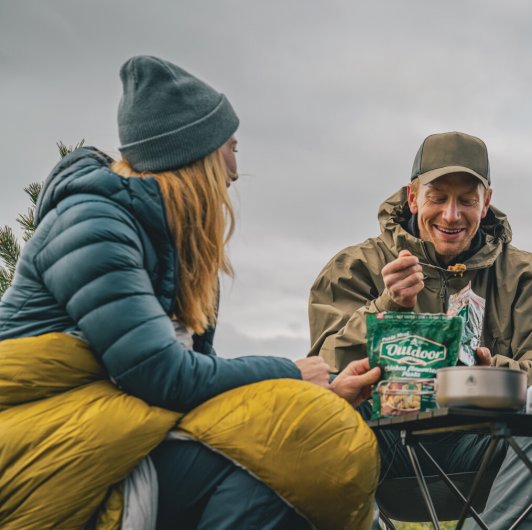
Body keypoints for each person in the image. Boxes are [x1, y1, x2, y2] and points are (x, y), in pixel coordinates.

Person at [0, 55, 380, 529]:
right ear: (195, 153)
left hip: (101, 438)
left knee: (310, 436)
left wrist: (326, 392)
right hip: (34, 447)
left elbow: (196, 378)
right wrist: (291, 374)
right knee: (297, 448)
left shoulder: (176, 247)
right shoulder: (92, 225)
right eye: (231, 148)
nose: (236, 171)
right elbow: (160, 376)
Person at [308, 131, 532, 528]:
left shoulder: (523, 275)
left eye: (466, 200)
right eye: (438, 197)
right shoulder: (355, 266)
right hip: (385, 447)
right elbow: (324, 372)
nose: (451, 215)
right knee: (326, 409)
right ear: (414, 197)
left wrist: (492, 375)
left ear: (486, 202)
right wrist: (387, 306)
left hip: (480, 447)